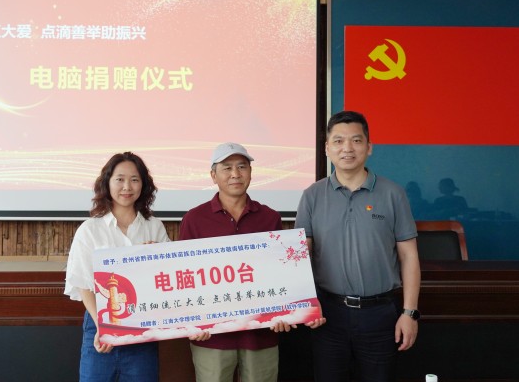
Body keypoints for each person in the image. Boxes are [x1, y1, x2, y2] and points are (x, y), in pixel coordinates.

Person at [180, 142, 325, 382]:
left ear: (250, 172)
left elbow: (281, 274)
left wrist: (285, 312)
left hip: (261, 334)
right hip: (212, 335)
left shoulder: (269, 217)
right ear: (213, 175)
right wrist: (192, 322)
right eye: (227, 168)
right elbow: (184, 276)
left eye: (242, 166)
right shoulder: (194, 219)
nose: (235, 174)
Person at [295, 111, 421, 382]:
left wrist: (409, 313)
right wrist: (307, 305)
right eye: (338, 141)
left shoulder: (392, 194)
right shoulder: (312, 196)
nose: (347, 148)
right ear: (327, 148)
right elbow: (300, 256)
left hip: (380, 315)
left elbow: (409, 256)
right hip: (328, 315)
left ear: (369, 147)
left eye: (356, 140)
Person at [65, 152, 170, 382]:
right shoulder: (90, 229)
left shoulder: (154, 226)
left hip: (143, 326)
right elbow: (83, 284)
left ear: (143, 185)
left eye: (134, 179)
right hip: (100, 324)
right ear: (107, 183)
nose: (127, 187)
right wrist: (104, 327)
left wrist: (157, 258)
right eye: (120, 179)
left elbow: (168, 277)